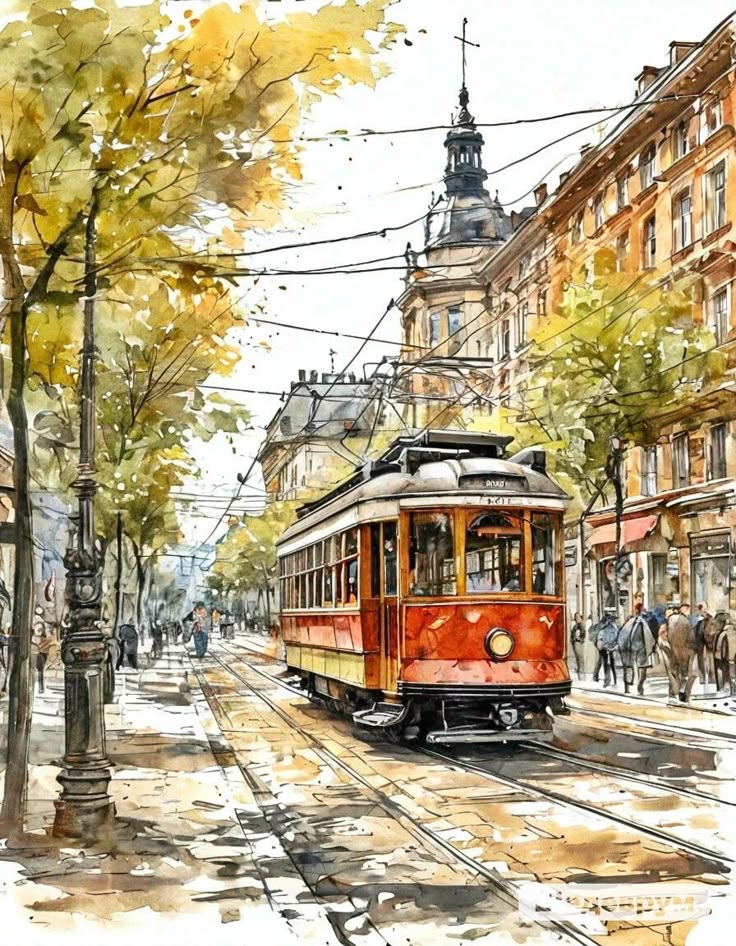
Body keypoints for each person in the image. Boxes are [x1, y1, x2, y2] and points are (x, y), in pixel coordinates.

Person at [589, 611, 619, 687]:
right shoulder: (602, 626)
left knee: (610, 663)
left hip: (611, 648)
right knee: (607, 664)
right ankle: (607, 680)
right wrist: (603, 645)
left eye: (611, 618)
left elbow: (617, 637)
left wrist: (615, 646)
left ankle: (613, 680)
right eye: (609, 618)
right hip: (604, 648)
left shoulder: (613, 627)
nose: (610, 620)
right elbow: (600, 637)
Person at [32, 624, 53, 694]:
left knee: (40, 671)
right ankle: (38, 688)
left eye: (41, 629)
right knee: (36, 672)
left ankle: (41, 688)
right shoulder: (32, 638)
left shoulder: (45, 639)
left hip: (41, 654)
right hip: (36, 653)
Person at [570, 611, 586, 676]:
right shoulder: (575, 626)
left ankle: (582, 674)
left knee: (580, 659)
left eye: (578, 617)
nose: (577, 618)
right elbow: (572, 635)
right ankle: (580, 673)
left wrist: (579, 639)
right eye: (576, 617)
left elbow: (583, 635)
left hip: (579, 644)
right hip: (575, 644)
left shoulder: (581, 626)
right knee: (578, 659)